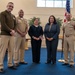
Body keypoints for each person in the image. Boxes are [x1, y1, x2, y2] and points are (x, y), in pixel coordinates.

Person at [0, 2, 16, 73]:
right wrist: (10, 31)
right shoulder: (2, 13)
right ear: (7, 6)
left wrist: (14, 31)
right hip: (4, 35)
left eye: (12, 7)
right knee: (2, 51)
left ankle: (10, 64)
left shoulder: (13, 16)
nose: (10, 7)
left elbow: (15, 25)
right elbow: (3, 24)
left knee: (11, 50)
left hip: (11, 36)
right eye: (9, 6)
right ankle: (0, 66)